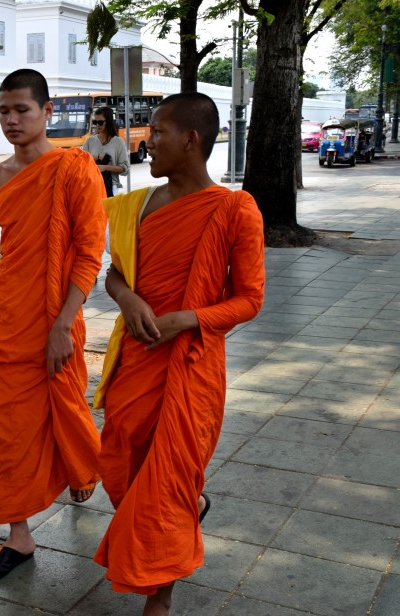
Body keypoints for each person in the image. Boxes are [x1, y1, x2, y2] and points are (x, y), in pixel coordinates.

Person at [92, 92, 265, 615]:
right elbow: (114, 275)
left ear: (191, 140)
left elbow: (250, 299)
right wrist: (128, 299)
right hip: (138, 359)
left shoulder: (236, 209)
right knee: (120, 464)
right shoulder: (137, 205)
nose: (148, 141)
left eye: (158, 131)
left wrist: (188, 319)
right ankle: (188, 514)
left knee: (167, 478)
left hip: (190, 366)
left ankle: (160, 596)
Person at [0, 69, 107, 582]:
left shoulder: (75, 169)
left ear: (47, 112)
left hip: (53, 318)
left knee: (65, 412)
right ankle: (18, 537)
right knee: (1, 432)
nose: (12, 120)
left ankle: (79, 467)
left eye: (22, 109)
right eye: (4, 110)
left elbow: (90, 251)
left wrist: (65, 323)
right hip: (3, 321)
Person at [81, 107, 129, 197]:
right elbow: (82, 166)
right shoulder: (89, 141)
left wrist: (105, 167)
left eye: (100, 122)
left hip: (111, 188)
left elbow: (125, 168)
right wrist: (93, 160)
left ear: (109, 122)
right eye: (95, 122)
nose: (97, 125)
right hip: (92, 187)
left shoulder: (118, 142)